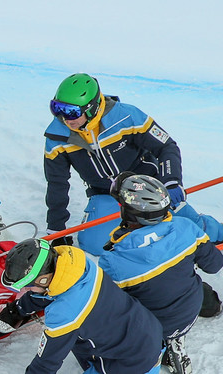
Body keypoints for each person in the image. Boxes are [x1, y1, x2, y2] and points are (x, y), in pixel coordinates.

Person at [43, 73, 223, 255]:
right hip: (106, 192)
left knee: (189, 224)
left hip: (146, 183)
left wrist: (171, 181)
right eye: (57, 109)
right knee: (95, 245)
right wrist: (56, 228)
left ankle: (214, 230)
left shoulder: (126, 116)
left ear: (92, 108)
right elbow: (57, 183)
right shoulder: (56, 137)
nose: (65, 118)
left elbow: (167, 146)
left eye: (72, 112)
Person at [98, 173, 223, 374]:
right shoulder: (186, 227)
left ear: (129, 213)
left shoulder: (113, 260)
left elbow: (110, 308)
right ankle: (176, 338)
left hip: (152, 327)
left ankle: (153, 350)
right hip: (190, 309)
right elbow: (214, 265)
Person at [0, 239, 165, 373]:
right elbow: (49, 292)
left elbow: (47, 362)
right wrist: (18, 309)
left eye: (28, 285)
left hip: (129, 363)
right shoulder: (78, 265)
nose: (27, 290)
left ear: (43, 279)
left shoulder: (66, 312)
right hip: (147, 330)